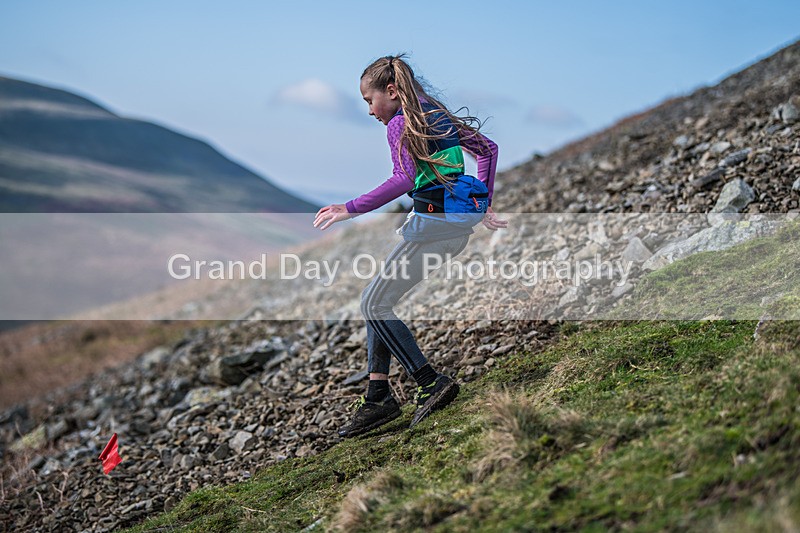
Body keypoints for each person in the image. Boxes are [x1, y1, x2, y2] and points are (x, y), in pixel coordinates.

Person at [313, 54, 507, 437]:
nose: (370, 111)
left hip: (431, 228)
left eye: (370, 101)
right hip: (452, 230)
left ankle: (429, 381)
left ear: (392, 91)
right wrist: (480, 202)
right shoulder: (435, 112)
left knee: (373, 303)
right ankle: (377, 395)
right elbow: (488, 149)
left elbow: (403, 179)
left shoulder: (401, 122)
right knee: (378, 300)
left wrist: (350, 208)